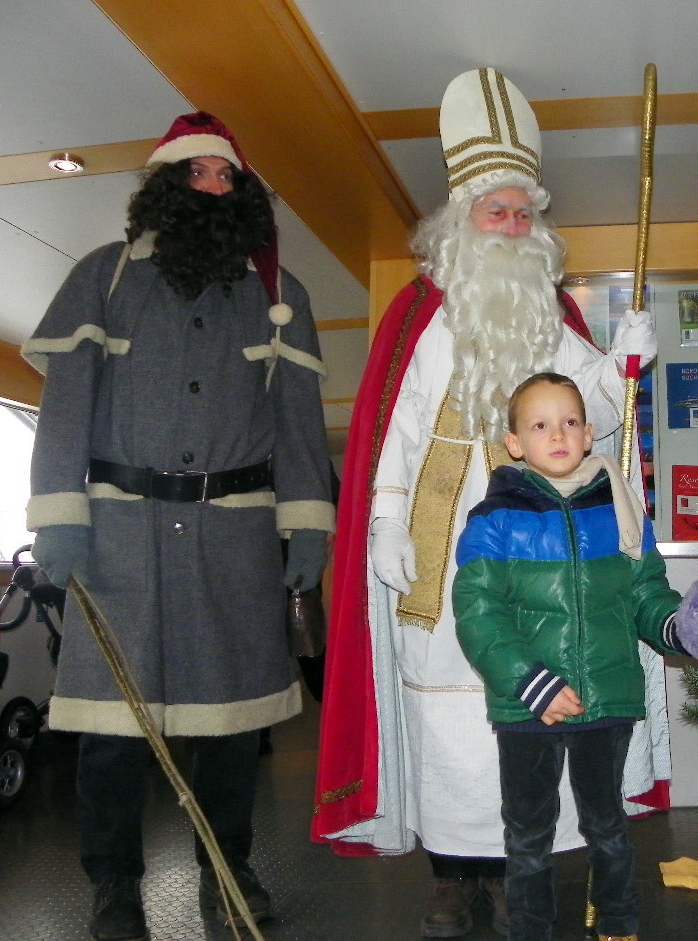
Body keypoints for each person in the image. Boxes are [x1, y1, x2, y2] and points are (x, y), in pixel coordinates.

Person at [312, 68, 663, 939]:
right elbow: (394, 432)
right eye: (492, 211)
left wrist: (623, 358)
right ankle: (452, 877)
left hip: (541, 549)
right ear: (459, 220)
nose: (508, 226)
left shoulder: (552, 317)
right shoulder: (418, 316)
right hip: (444, 556)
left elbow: (595, 419)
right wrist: (385, 519)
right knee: (449, 721)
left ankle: (517, 866)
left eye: (520, 213)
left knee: (531, 710)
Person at [22, 111, 334, 941]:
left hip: (233, 539)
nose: (212, 187)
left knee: (231, 728)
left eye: (226, 176)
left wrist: (308, 525)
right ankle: (113, 886)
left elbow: (298, 423)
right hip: (118, 538)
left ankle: (228, 869)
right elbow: (64, 408)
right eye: (196, 172)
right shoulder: (104, 277)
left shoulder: (278, 295)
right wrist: (58, 514)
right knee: (112, 731)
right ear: (165, 185)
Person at [452, 372, 698, 941]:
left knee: (608, 825)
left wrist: (677, 627)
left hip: (606, 697)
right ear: (515, 443)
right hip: (527, 705)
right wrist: (528, 681)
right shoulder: (494, 518)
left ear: (589, 435)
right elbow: (478, 611)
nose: (557, 434)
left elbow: (646, 592)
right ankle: (529, 929)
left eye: (569, 422)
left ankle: (619, 923)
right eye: (540, 425)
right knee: (528, 834)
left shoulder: (620, 508)